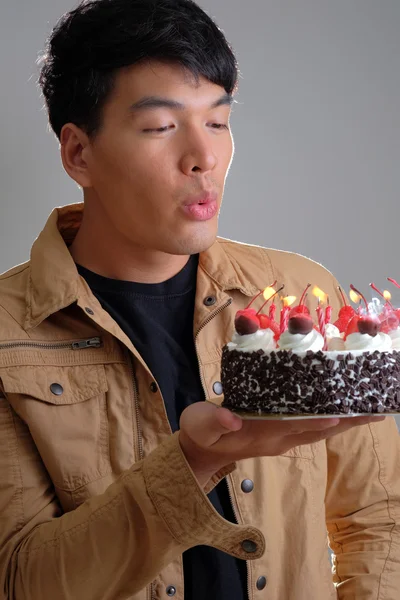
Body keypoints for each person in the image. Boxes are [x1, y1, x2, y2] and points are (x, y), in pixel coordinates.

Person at [0, 0, 399, 598]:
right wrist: (192, 463)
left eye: (217, 121)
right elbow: (21, 578)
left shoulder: (295, 298)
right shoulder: (8, 332)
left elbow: (380, 518)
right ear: (79, 153)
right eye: (162, 127)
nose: (204, 158)